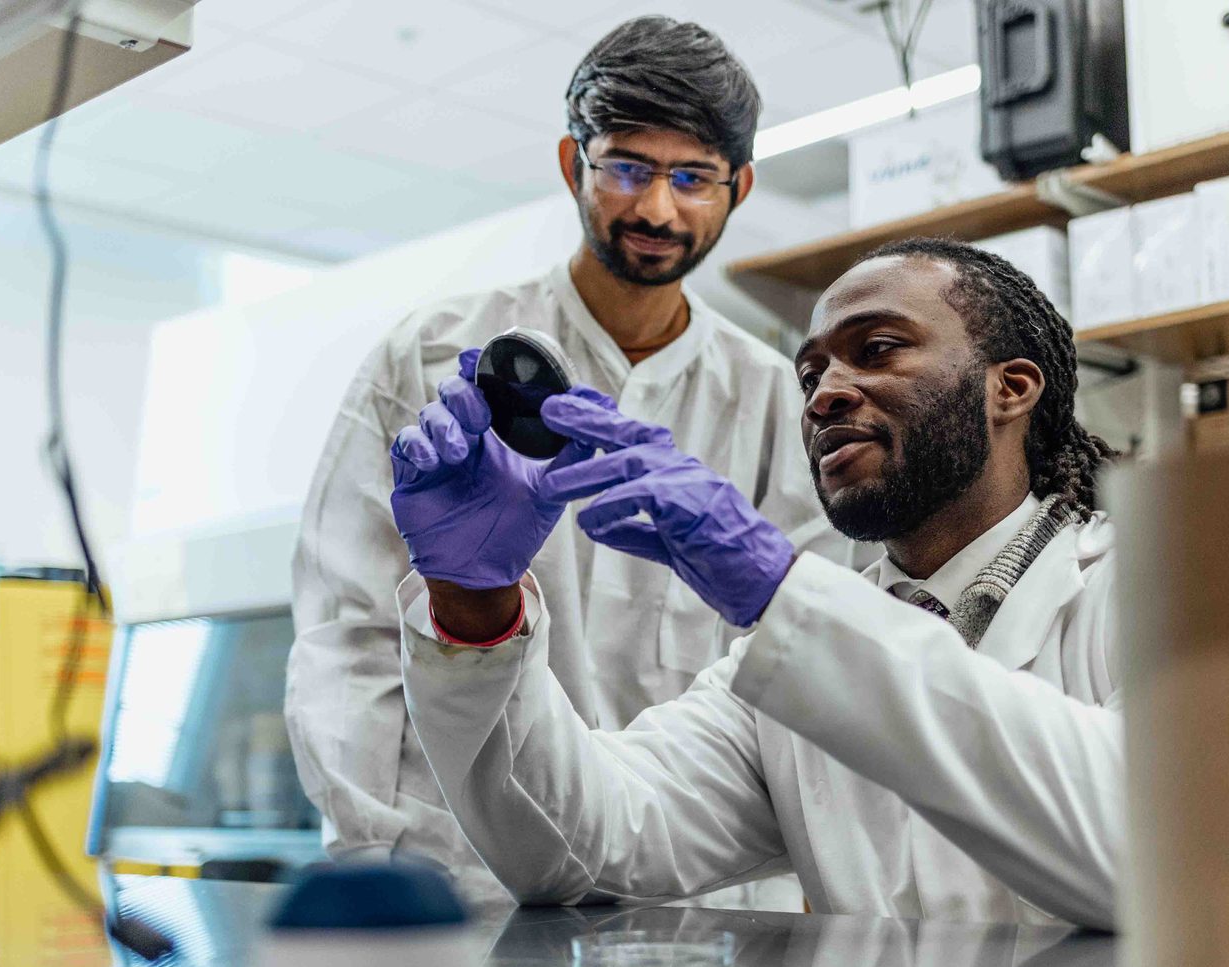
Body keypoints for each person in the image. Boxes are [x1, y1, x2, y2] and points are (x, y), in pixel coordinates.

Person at [391, 237, 1126, 927]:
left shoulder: (1147, 593)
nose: (824, 397)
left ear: (1012, 387)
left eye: (877, 350)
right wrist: (474, 600)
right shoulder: (784, 669)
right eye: (811, 375)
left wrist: (782, 594)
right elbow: (577, 847)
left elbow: (1148, 842)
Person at [286, 18, 844, 901]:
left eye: (693, 177)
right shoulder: (435, 357)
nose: (658, 208)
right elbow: (345, 633)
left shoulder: (779, 401)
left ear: (738, 187)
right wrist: (380, 862)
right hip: (467, 879)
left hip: (693, 900)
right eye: (627, 166)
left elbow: (807, 660)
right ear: (570, 164)